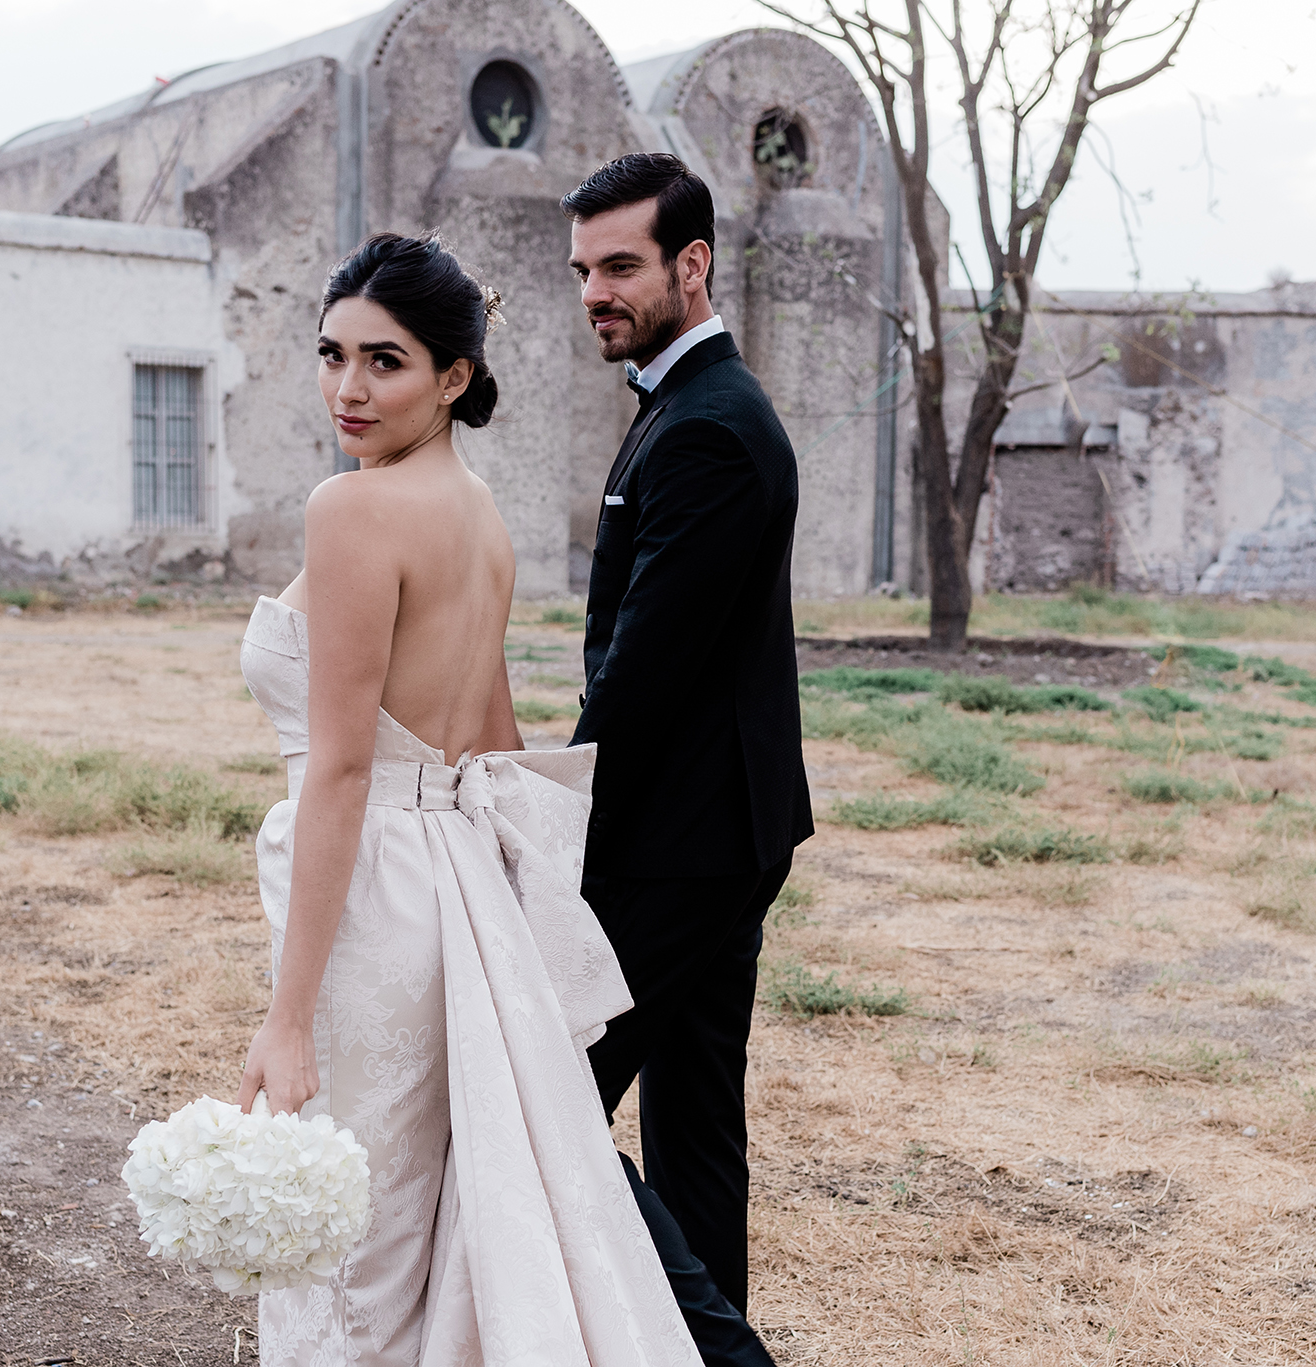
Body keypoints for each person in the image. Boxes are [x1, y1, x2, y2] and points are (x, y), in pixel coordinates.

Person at [234, 231, 698, 1366]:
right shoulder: (480, 515)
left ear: (454, 377)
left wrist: (284, 1016)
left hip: (371, 893)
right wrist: (501, 928)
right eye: (331, 353)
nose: (348, 387)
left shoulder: (352, 510)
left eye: (384, 361)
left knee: (346, 1225)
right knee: (410, 1207)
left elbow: (344, 769)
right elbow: (492, 742)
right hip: (447, 887)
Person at [561, 152, 814, 1364]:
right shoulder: (684, 406)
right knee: (696, 1125)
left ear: (690, 263)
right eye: (582, 270)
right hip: (723, 828)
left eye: (619, 265)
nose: (594, 291)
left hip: (678, 838)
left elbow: (640, 678)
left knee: (544, 1093)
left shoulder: (710, 427)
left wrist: (547, 822)